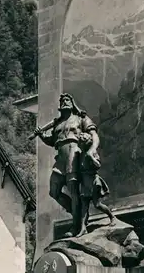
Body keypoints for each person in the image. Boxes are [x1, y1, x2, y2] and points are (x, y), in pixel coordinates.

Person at [34, 93, 100, 237]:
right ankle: (75, 212)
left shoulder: (81, 118)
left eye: (67, 100)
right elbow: (52, 140)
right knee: (54, 191)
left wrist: (92, 150)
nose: (65, 102)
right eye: (62, 100)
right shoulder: (57, 123)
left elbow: (94, 135)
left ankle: (76, 225)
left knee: (73, 190)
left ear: (72, 102)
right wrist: (41, 135)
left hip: (73, 154)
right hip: (60, 158)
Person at [76, 132, 115, 237]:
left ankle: (112, 217)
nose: (78, 144)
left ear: (85, 143)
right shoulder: (80, 154)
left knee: (97, 204)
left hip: (93, 181)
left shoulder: (92, 152)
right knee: (84, 207)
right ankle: (83, 228)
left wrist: (91, 158)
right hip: (85, 183)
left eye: (80, 142)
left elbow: (98, 165)